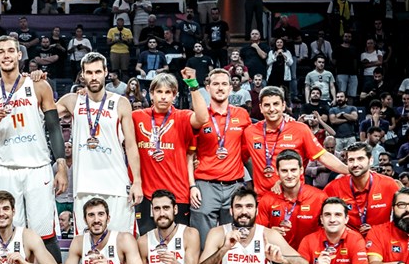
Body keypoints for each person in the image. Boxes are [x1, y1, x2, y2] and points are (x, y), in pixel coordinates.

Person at [0, 36, 67, 264]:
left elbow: (54, 127)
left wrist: (61, 165)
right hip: (5, 168)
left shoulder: (38, 86)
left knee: (45, 234)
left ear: (19, 55)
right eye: (1, 51)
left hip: (38, 168)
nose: (6, 55)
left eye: (11, 51)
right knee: (8, 233)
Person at [56, 53, 142, 235]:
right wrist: (33, 81)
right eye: (89, 72)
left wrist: (137, 182)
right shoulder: (72, 101)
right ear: (82, 75)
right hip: (84, 186)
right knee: (87, 246)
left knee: (123, 243)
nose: (93, 77)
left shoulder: (121, 103)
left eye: (97, 72)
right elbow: (42, 114)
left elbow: (131, 145)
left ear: (106, 72)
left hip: (117, 185)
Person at [132, 70, 208, 234]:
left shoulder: (182, 116)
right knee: (147, 246)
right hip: (145, 196)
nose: (164, 97)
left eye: (168, 92)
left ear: (175, 95)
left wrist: (194, 86)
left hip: (177, 194)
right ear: (151, 94)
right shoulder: (137, 117)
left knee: (177, 247)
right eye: (159, 92)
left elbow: (202, 118)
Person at [244, 86, 348, 196]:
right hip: (263, 200)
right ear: (260, 107)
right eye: (267, 105)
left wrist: (349, 171)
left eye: (276, 104)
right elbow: (240, 157)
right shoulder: (250, 132)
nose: (271, 109)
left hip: (294, 199)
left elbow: (323, 156)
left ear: (283, 105)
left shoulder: (300, 129)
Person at [190, 69, 253, 245]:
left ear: (231, 88)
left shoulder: (242, 115)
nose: (220, 88)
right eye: (215, 84)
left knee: (234, 242)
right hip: (205, 184)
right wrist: (192, 185)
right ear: (207, 88)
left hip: (235, 185)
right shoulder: (199, 116)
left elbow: (248, 149)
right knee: (203, 243)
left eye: (224, 84)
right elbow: (189, 153)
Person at [325, 142, 402, 234]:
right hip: (347, 243)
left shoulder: (388, 184)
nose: (355, 164)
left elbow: (406, 211)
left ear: (371, 160)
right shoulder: (334, 187)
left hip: (380, 241)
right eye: (351, 160)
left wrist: (377, 231)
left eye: (360, 159)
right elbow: (320, 217)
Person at [256, 150, 327, 250]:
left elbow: (329, 230)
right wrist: (269, 232)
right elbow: (257, 233)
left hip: (312, 256)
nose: (289, 176)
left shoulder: (319, 197)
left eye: (293, 170)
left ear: (301, 170)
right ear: (277, 172)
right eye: (284, 171)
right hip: (279, 257)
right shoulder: (267, 200)